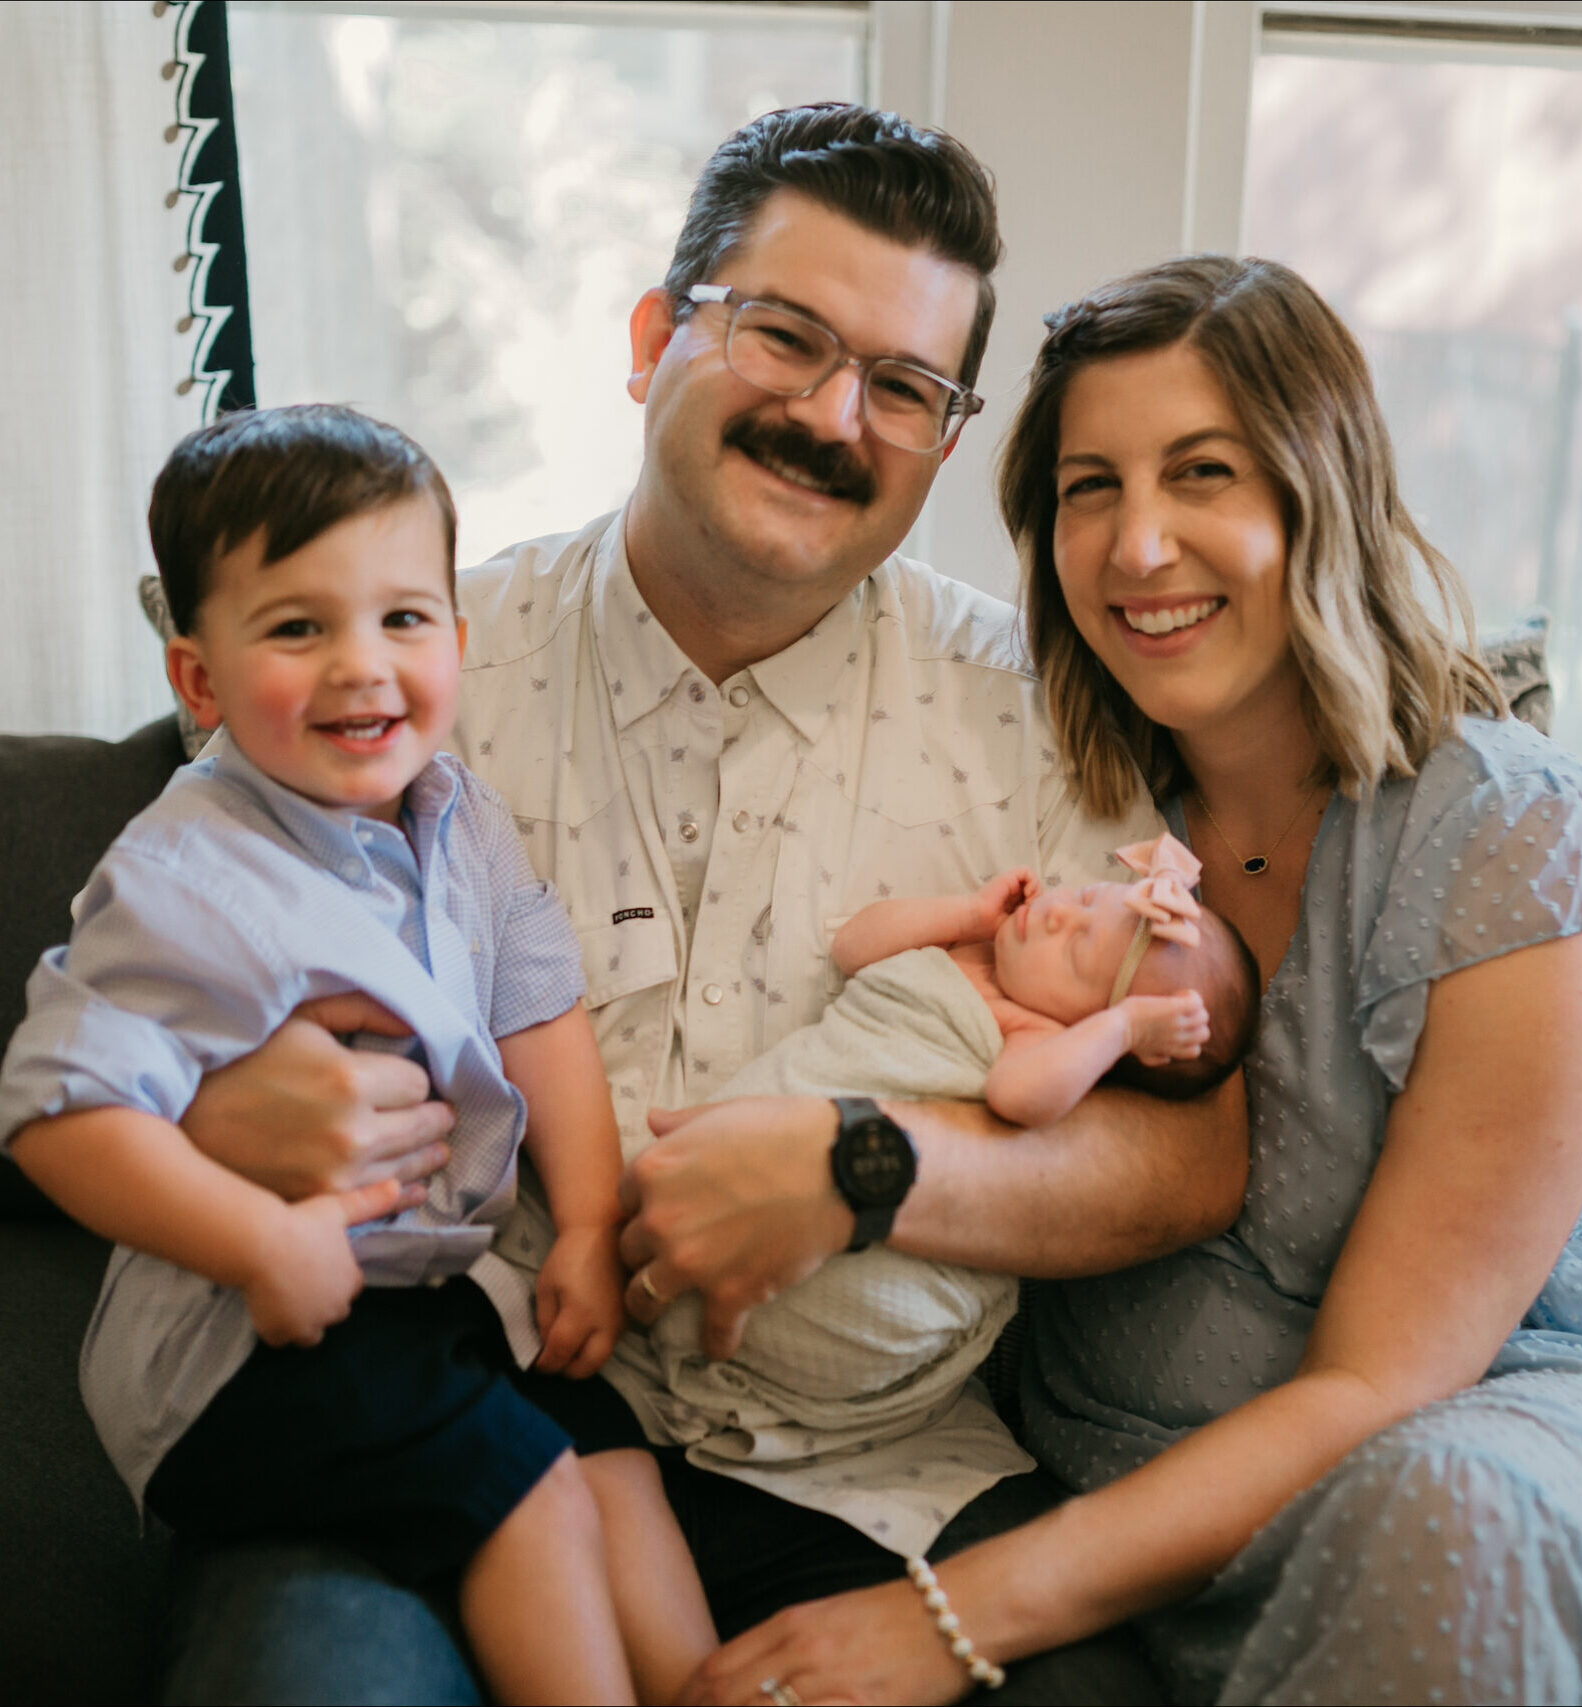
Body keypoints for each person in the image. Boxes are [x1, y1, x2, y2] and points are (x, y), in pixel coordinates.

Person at [153, 108, 1248, 1703]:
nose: (831, 416)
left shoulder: (1038, 713)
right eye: (783, 337)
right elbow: (128, 996)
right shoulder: (401, 672)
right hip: (453, 1423)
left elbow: (1193, 1151)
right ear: (650, 337)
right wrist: (212, 1102)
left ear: (945, 441)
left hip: (875, 1480)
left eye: (902, 387)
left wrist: (863, 1169)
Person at [681, 255, 1582, 1707]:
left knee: (1449, 1516)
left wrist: (950, 1617)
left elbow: (1382, 1384)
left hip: (1490, 1445)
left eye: (1201, 472)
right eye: (1088, 488)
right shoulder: (1057, 806)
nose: (1138, 544)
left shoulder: (1510, 836)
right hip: (1101, 1462)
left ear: (1318, 493)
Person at [0, 406, 717, 1705]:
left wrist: (583, 1225)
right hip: (238, 1349)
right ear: (200, 682)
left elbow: (537, 1008)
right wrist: (256, 1240)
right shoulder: (183, 870)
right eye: (297, 627)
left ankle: (705, 1685)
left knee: (606, 1451)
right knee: (534, 1490)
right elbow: (55, 1108)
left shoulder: (459, 812)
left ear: (456, 639)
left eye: (402, 619)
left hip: (426, 1300)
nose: (361, 667)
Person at [604, 834, 1258, 1554]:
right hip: (769, 1143)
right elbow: (856, 946)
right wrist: (968, 913)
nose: (1057, 916)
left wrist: (1123, 1027)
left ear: (1093, 1038)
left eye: (1078, 952)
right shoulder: (964, 951)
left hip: (855, 1243)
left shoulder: (1032, 1032)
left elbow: (1019, 1097)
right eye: (1082, 899)